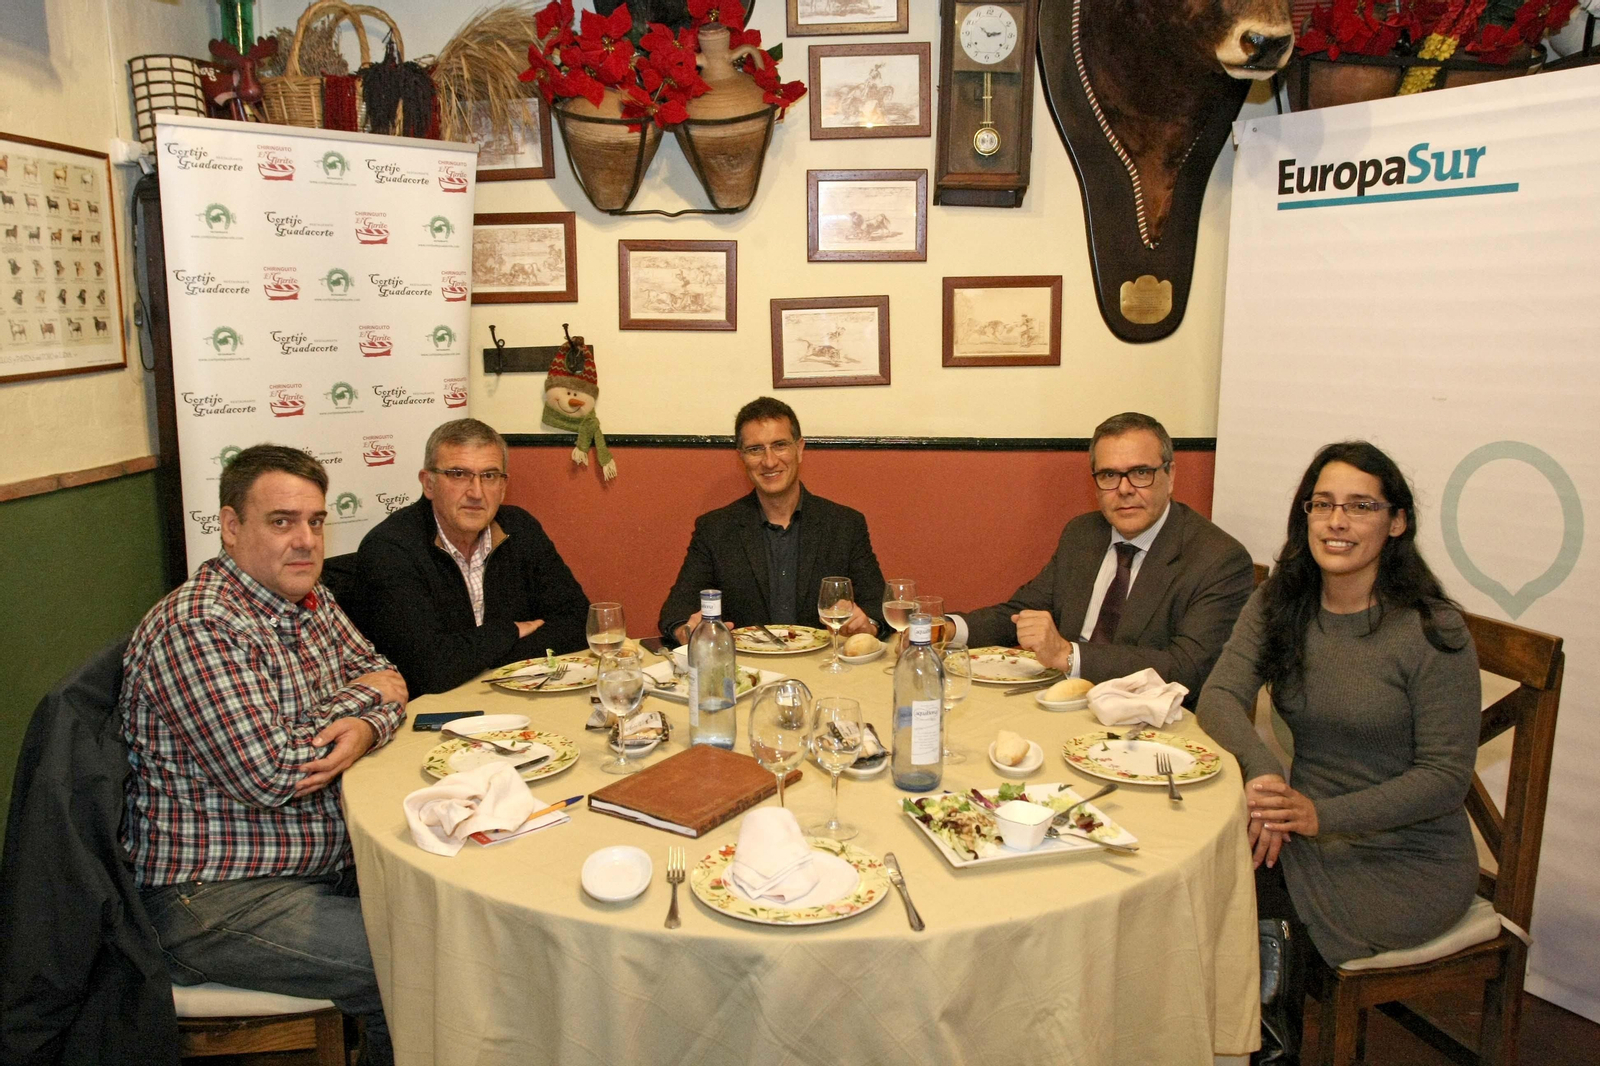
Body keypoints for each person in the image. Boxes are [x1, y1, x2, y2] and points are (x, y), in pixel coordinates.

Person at [120, 445, 407, 1066]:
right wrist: (362, 708)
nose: (306, 541)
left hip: (316, 863)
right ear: (231, 526)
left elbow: (388, 676)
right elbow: (276, 772)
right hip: (213, 896)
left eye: (316, 521)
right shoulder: (199, 626)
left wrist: (361, 725)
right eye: (282, 522)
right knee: (417, 962)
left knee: (459, 913)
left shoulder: (308, 598)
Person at [1196, 441, 1480, 1064]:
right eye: (1322, 504)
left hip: (1407, 861)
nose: (1337, 522)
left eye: (1360, 506)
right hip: (1298, 826)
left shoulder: (1431, 629)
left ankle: (1266, 1052)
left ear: (1396, 522)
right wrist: (1265, 775)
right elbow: (1218, 696)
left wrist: (1320, 816)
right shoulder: (1281, 602)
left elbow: (1445, 778)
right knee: (1198, 877)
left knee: (1244, 904)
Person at [955, 412, 1254, 702]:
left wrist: (1068, 655)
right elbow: (1022, 614)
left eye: (1141, 473)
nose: (1124, 489)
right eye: (1109, 475)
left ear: (1170, 475)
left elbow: (1186, 669)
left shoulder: (1218, 559)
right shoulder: (1083, 534)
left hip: (1148, 719)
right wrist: (947, 628)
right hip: (1062, 701)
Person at [357, 417, 590, 696]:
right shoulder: (390, 548)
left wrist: (473, 656)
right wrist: (509, 632)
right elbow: (427, 669)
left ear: (503, 487)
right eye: (458, 474)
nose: (476, 493)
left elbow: (579, 622)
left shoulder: (519, 528)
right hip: (434, 710)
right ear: (428, 483)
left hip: (515, 697)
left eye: (489, 476)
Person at [658, 397, 886, 645]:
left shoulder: (845, 525)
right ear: (741, 457)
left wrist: (868, 625)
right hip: (746, 665)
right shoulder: (715, 529)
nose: (769, 461)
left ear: (799, 449)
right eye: (755, 449)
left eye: (779, 445)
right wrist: (687, 631)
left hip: (822, 663)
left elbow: (877, 606)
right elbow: (676, 611)